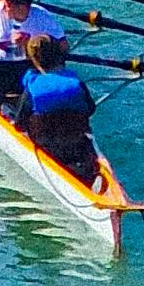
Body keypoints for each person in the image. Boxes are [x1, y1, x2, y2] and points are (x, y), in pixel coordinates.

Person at [18, 31, 103, 185]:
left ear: (33, 59)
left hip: (45, 143)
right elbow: (91, 109)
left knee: (10, 113)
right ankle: (88, 175)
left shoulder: (32, 85)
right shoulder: (76, 82)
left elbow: (21, 120)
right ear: (58, 55)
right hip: (75, 141)